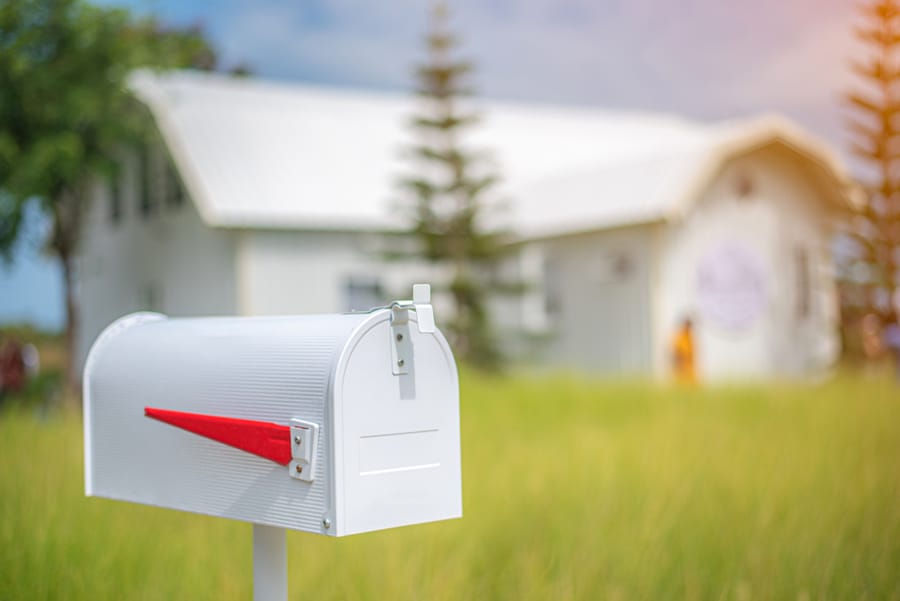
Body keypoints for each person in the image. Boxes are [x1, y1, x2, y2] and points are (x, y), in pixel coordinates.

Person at [671, 317, 697, 385]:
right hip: (681, 370)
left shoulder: (690, 337)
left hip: (690, 370)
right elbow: (676, 354)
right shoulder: (680, 337)